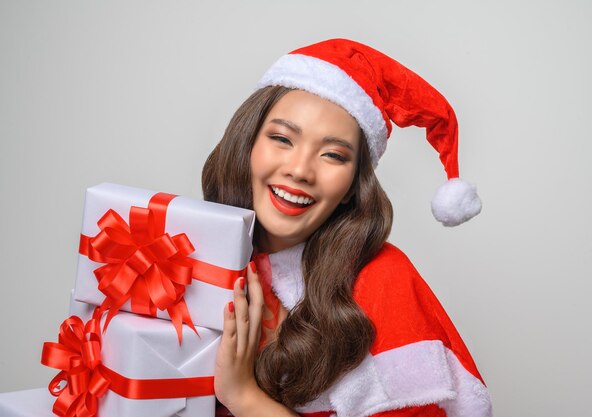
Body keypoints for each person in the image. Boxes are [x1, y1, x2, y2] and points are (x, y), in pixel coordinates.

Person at [201, 39, 491, 417]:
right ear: (247, 144)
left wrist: (245, 397)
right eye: (282, 139)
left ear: (352, 186)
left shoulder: (382, 278)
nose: (300, 170)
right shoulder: (195, 254)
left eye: (333, 155)